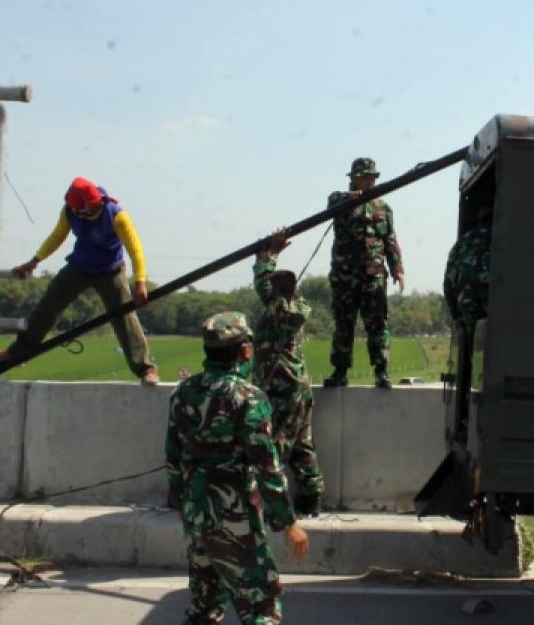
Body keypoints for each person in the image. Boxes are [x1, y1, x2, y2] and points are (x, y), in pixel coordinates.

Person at [166, 311, 309, 624]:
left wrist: (183, 503)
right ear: (245, 351)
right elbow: (266, 467)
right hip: (236, 517)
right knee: (261, 608)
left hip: (197, 514)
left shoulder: (183, 393)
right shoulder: (248, 397)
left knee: (204, 607)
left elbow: (173, 458)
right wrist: (288, 523)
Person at [0, 177, 159, 384]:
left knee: (124, 316)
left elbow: (136, 250)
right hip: (79, 267)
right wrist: (35, 261)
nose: (92, 214)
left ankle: (145, 369)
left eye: (95, 209)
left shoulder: (117, 215)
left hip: (110, 270)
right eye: (88, 212)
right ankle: (17, 351)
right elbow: (57, 236)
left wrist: (140, 282)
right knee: (48, 304)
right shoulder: (69, 211)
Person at [252, 229, 324, 517]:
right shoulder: (298, 306)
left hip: (281, 388)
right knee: (302, 445)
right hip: (299, 386)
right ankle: (311, 497)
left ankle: (274, 504)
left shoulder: (278, 309)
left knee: (276, 446)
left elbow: (262, 286)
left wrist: (266, 257)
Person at [324, 157, 405, 389]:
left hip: (374, 275)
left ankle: (381, 370)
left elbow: (390, 240)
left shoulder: (383, 207)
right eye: (367, 176)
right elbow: (332, 204)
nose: (371, 181)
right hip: (345, 276)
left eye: (373, 177)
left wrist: (397, 268)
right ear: (355, 177)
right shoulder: (339, 200)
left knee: (377, 324)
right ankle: (340, 371)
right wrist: (350, 200)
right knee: (343, 323)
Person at [442, 206, 493, 329]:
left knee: (472, 342)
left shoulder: (462, 242)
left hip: (467, 301)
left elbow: (448, 283)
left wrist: (455, 315)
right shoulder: (506, 238)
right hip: (496, 302)